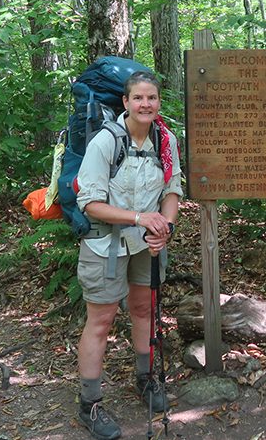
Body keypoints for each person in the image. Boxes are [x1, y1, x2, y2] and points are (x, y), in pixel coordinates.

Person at [75, 70, 183, 440]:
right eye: (138, 98)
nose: (145, 104)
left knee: (143, 310)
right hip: (104, 244)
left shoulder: (165, 140)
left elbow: (172, 191)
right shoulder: (106, 142)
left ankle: (146, 380)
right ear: (125, 102)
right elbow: (89, 203)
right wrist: (141, 218)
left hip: (146, 244)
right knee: (101, 321)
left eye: (151, 97)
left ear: (158, 102)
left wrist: (163, 228)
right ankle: (89, 403)